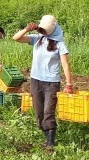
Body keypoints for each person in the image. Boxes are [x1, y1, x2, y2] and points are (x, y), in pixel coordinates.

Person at [12, 15, 73, 149]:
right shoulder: (37, 39)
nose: (43, 32)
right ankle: (46, 139)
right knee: (39, 112)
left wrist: (69, 84)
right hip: (36, 80)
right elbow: (16, 38)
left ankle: (51, 143)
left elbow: (65, 65)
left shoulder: (59, 44)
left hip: (51, 83)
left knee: (48, 112)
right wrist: (27, 29)